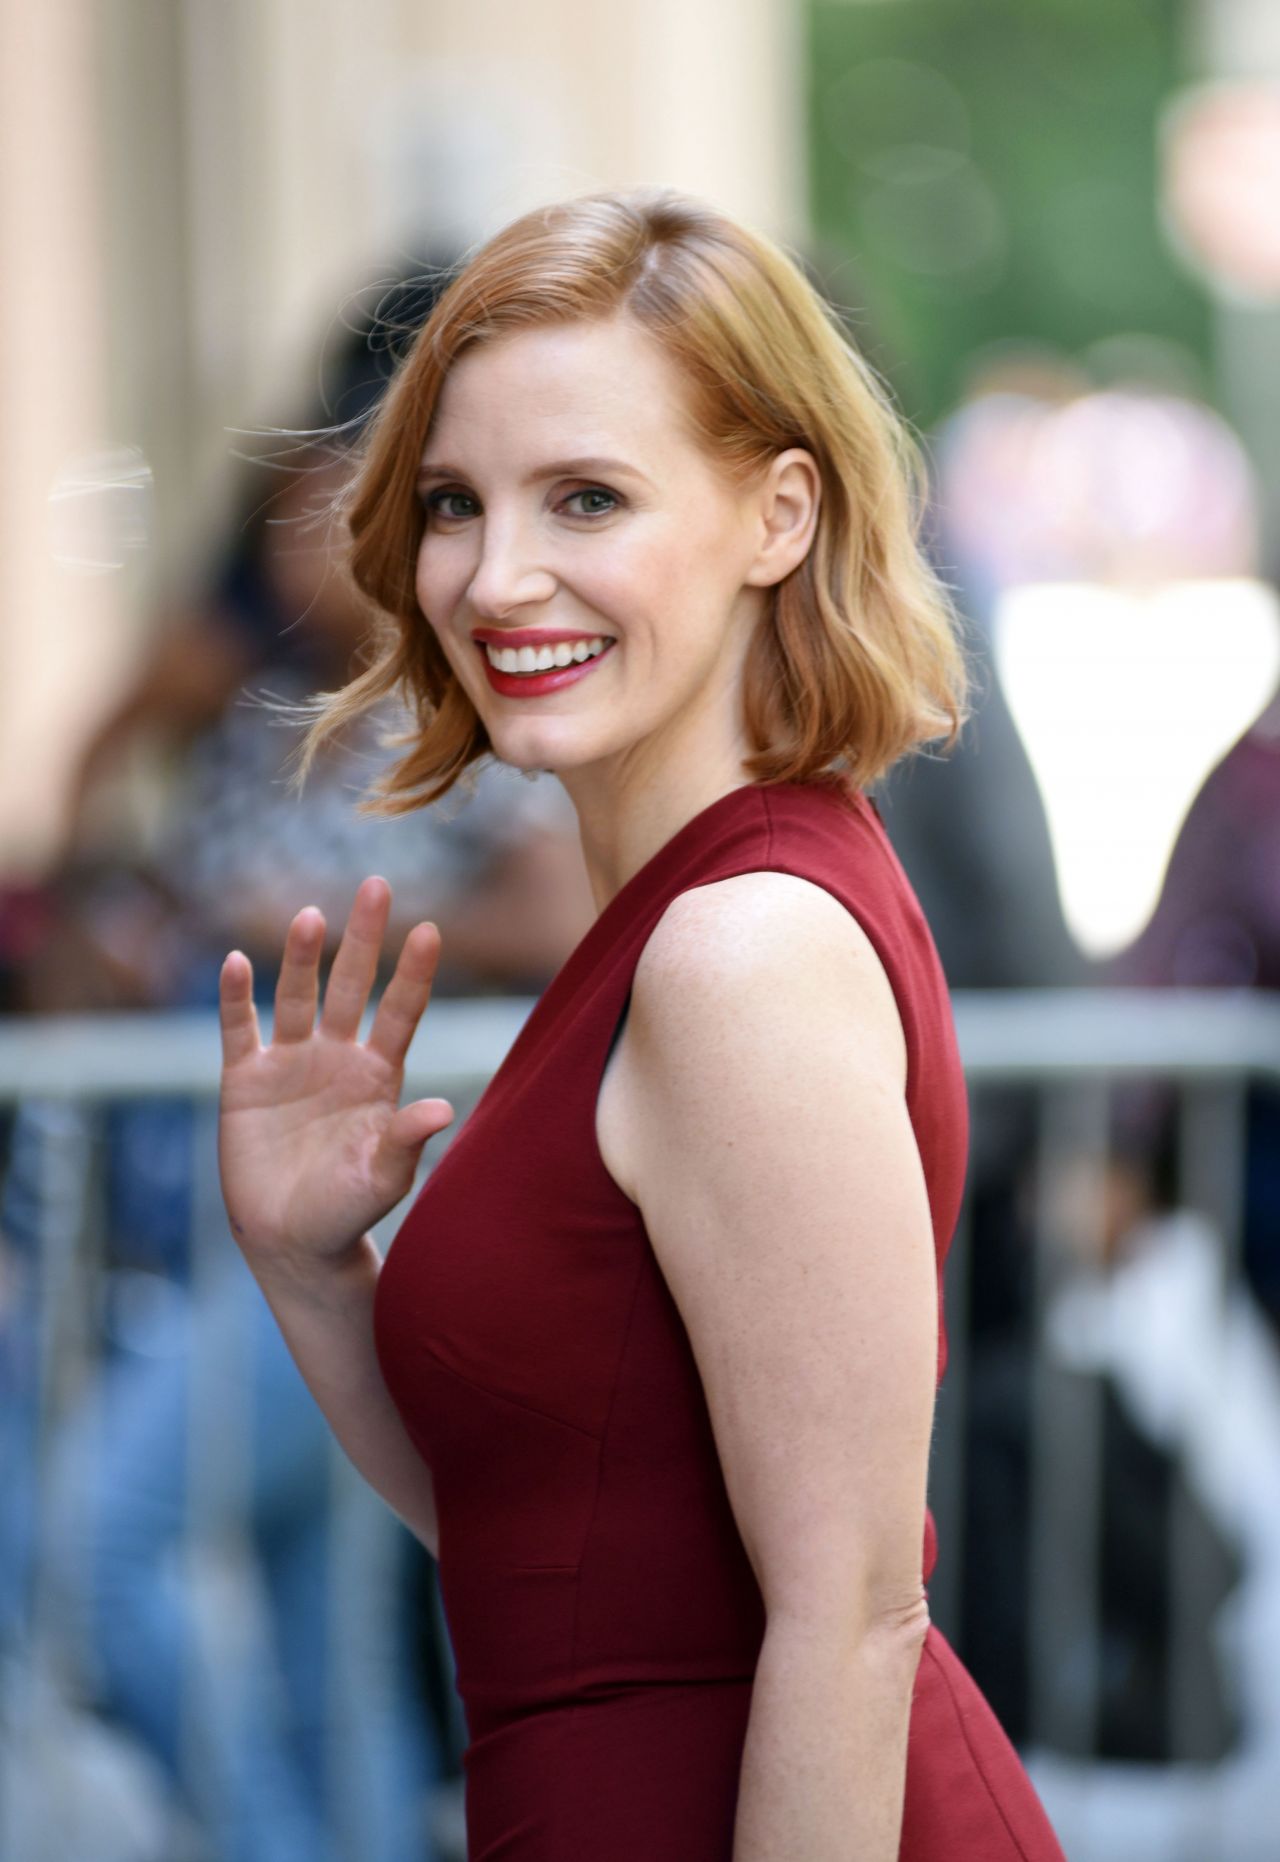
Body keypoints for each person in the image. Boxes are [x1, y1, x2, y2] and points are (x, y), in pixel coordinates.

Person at [215, 185, 1067, 1859]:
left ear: (778, 513)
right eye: (456, 501)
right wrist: (318, 1272)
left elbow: (852, 1617)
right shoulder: (682, 921)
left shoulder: (737, 952)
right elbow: (564, 1553)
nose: (494, 573)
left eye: (587, 496)